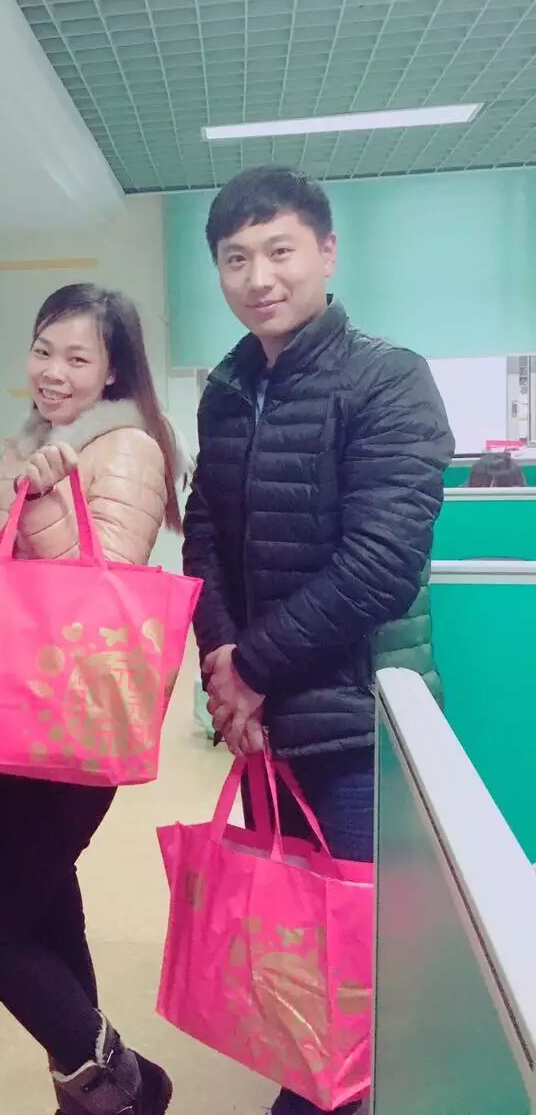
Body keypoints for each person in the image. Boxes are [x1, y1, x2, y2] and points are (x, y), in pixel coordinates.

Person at [182, 167, 454, 1115]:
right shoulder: (227, 390)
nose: (260, 277)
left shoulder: (390, 379)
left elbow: (382, 565)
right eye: (236, 258)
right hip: (264, 726)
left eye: (280, 251)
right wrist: (223, 665)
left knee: (365, 961)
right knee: (296, 947)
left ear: (327, 253)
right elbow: (204, 537)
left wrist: (250, 668)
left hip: (357, 724)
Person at [0, 283, 182, 1115]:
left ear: (114, 370)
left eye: (78, 357)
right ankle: (92, 1100)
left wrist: (40, 498)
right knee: (47, 914)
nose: (53, 371)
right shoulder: (32, 443)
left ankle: (132, 1084)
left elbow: (99, 598)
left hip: (74, 731)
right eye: (44, 350)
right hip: (9, 719)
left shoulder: (127, 448)